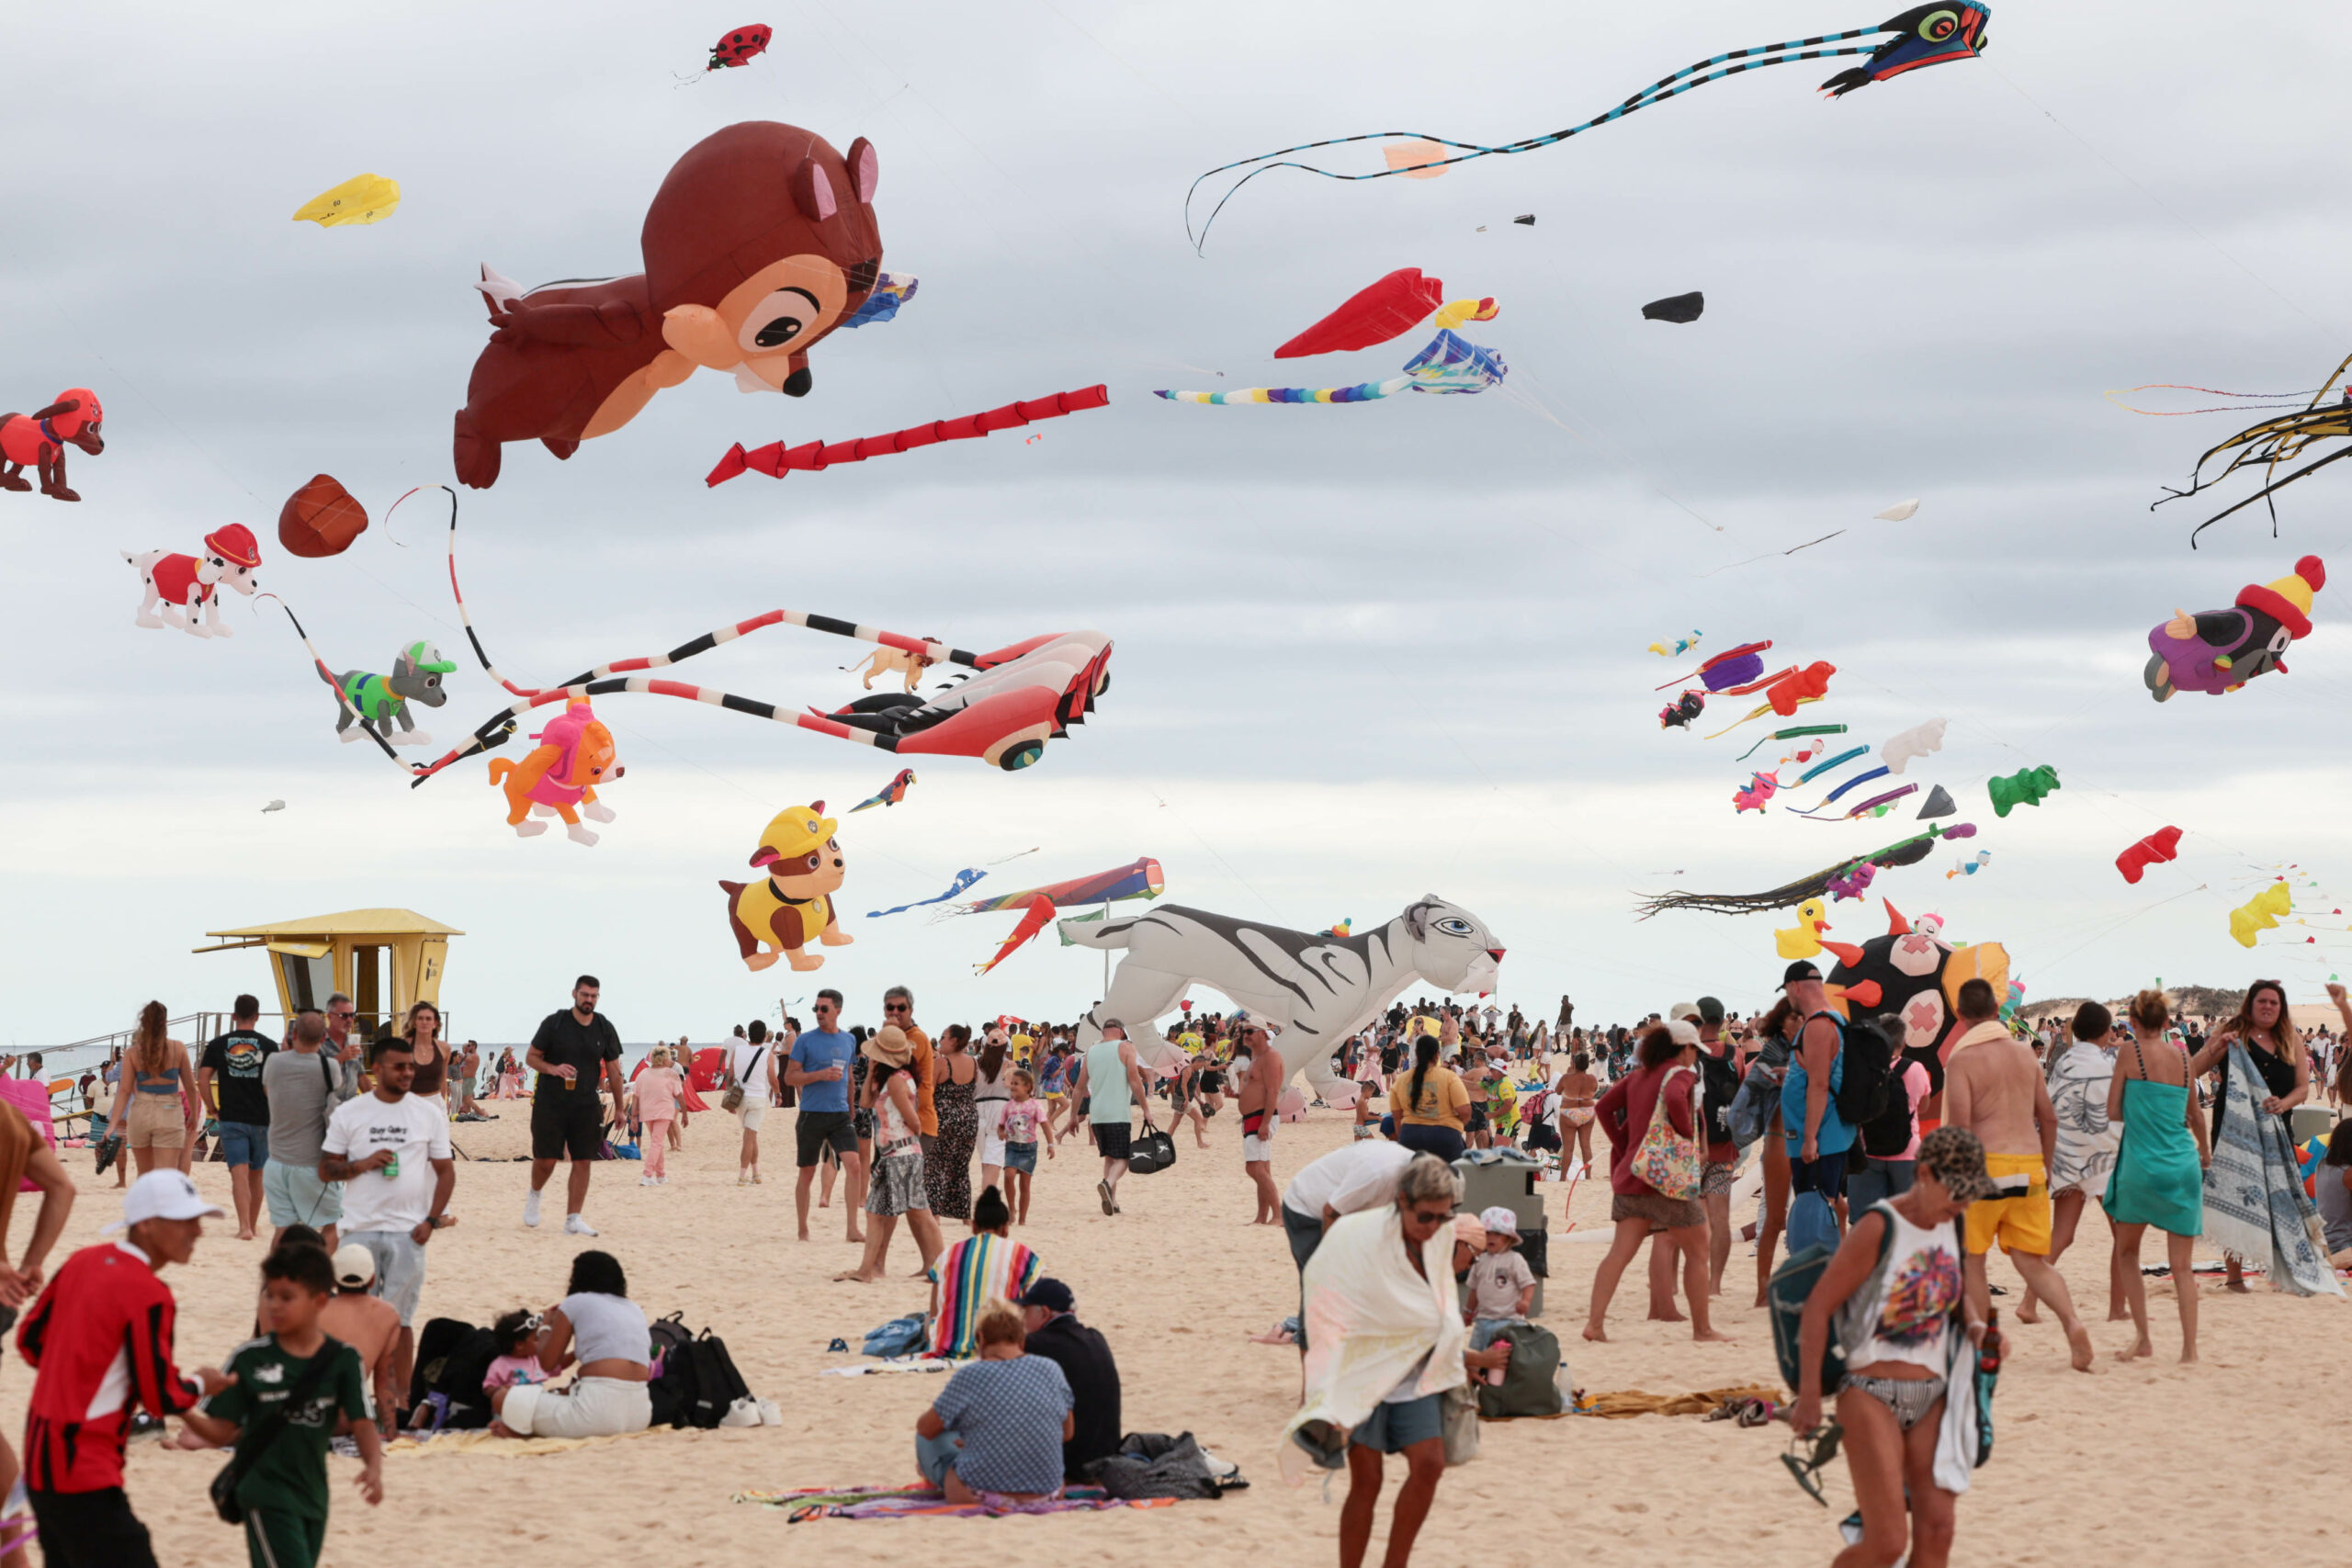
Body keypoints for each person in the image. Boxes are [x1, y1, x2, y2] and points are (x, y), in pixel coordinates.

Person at [1790, 1127, 1997, 1568]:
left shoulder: (1952, 1222)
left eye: (1969, 1195)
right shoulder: (1878, 1227)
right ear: (1923, 1174)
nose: (1962, 1204)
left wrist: (1977, 1324)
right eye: (1956, 1193)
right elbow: (1817, 1308)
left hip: (1935, 1393)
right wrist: (1809, 1396)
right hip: (1869, 1391)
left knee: (1938, 1529)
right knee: (1886, 1542)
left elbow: (1952, 1291)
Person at [1287, 1155, 1506, 1568]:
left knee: (1430, 1465)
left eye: (1444, 1217)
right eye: (1426, 1216)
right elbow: (1322, 1302)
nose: (1435, 1226)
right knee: (1367, 1482)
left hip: (1415, 1370)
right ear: (1402, 1201)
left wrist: (1457, 1356)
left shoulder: (1439, 1234)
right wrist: (1324, 1386)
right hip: (1362, 1370)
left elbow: (1439, 1306)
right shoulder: (1356, 1233)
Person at [18, 1170, 234, 1568]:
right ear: (148, 1224)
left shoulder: (82, 1260)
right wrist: (203, 1381)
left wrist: (80, 1370)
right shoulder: (150, 1293)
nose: (198, 1231)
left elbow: (29, 1343)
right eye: (186, 1220)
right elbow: (160, 1396)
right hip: (84, 1467)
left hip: (39, 1459)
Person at [179, 1242, 383, 1568]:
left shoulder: (343, 1360)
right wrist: (180, 1407)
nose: (274, 1305)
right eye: (269, 1295)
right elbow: (220, 1433)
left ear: (319, 1301)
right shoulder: (249, 1359)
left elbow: (362, 1423)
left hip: (314, 1497)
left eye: (286, 1297)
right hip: (263, 1494)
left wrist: (373, 1466)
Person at [1942, 978, 2095, 1372]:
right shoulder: (2026, 1054)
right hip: (2027, 1166)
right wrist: (2043, 1165)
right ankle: (2072, 1324)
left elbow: (1958, 1128)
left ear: (1960, 1016)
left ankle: (1986, 1342)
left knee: (1973, 1260)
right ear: (1998, 1010)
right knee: (2033, 1263)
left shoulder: (1962, 1060)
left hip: (1983, 1168)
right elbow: (2048, 1116)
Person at [320, 1036, 456, 1427]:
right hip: (358, 1230)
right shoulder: (352, 1113)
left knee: (402, 1319)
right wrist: (361, 1165)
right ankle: (351, 1398)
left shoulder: (428, 1114)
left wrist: (431, 1221)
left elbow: (445, 1171)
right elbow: (326, 1169)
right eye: (399, 1066)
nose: (408, 1072)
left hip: (408, 1232)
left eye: (411, 1066)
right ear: (375, 1069)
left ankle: (398, 1401)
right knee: (353, 1317)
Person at [1583, 1023, 1729, 1345]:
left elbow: (1604, 1107)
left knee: (1619, 1254)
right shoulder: (1679, 1074)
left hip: (1632, 1176)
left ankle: (1595, 1324)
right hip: (1668, 1180)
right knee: (1699, 1247)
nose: (1695, 1059)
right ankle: (1702, 1330)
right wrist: (1687, 1135)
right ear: (1684, 1049)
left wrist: (1625, 1146)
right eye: (1694, 1051)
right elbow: (1677, 1100)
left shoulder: (1638, 1075)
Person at [2104, 990, 2210, 1362]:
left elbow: (2113, 1110)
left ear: (2133, 1022)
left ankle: (2144, 1338)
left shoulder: (2129, 1052)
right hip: (2183, 1164)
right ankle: (2189, 1350)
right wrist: (2206, 1154)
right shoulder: (2183, 1055)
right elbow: (2196, 1115)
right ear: (2167, 1023)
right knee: (2182, 1267)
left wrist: (2140, 1111)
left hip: (2140, 1165)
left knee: (2127, 1251)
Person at [2191, 978, 2311, 1292]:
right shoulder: (2233, 1033)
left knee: (2281, 1202)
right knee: (2235, 1199)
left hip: (2278, 1134)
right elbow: (2192, 1069)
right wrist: (2216, 1046)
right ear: (2251, 1004)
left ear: (2281, 1008)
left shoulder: (2291, 1038)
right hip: (2234, 1134)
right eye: (2263, 1001)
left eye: (2274, 1002)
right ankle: (2234, 1278)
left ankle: (2283, 1275)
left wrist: (2283, 1103)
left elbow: (2302, 1088)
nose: (2268, 1007)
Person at [2025, 1002, 2125, 1327]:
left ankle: (2029, 1302)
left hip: (2066, 1157)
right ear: (2106, 1031)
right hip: (2101, 1159)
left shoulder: (2064, 1060)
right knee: (2123, 1235)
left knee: (2062, 1235)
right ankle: (2117, 1308)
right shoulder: (2108, 1061)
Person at [915, 1301, 1074, 1504]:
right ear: (1021, 1339)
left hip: (980, 1493)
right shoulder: (1051, 1369)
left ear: (981, 1338)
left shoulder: (971, 1375)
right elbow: (1067, 1432)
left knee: (929, 1440)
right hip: (1047, 1492)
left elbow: (926, 1429)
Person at [490, 1250, 653, 1438]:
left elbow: (547, 1363)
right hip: (640, 1416)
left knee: (502, 1396)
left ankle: (524, 1433)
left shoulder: (575, 1302)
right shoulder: (633, 1308)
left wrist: (545, 1327)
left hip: (595, 1414)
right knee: (561, 1396)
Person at [524, 976, 628, 1236]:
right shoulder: (555, 1023)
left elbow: (615, 1071)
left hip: (585, 1104)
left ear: (598, 998)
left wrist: (620, 1107)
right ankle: (535, 1193)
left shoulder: (604, 1027)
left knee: (583, 1160)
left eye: (593, 996)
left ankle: (573, 1218)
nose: (588, 1000)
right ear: (574, 994)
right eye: (584, 995)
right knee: (546, 1160)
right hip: (551, 1102)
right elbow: (531, 1057)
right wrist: (553, 1068)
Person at [837, 1028, 939, 1283]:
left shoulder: (896, 1081)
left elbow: (914, 1121)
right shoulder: (894, 1077)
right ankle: (868, 1269)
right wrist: (871, 1069)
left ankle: (868, 1270)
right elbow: (866, 1103)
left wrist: (903, 1137)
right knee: (894, 1211)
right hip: (896, 1154)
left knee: (916, 1213)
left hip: (900, 1153)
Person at [262, 1010, 361, 1251]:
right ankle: (316, 1276)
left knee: (283, 1230)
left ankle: (275, 1285)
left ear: (293, 1034)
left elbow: (268, 1091)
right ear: (323, 1038)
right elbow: (333, 1094)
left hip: (276, 1162)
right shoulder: (329, 1067)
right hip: (312, 1163)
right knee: (335, 1223)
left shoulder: (274, 1061)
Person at [1781, 963, 1855, 1257]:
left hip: (1820, 1136)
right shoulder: (1834, 1020)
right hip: (1827, 1132)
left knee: (1815, 1211)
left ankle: (1821, 1277)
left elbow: (1820, 1084)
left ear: (1795, 987)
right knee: (1825, 1204)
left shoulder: (1819, 1025)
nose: (1788, 997)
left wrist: (1810, 1137)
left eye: (1787, 991)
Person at [1017, 1279, 1122, 1483]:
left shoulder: (1036, 1344)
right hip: (1105, 1458)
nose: (1022, 1321)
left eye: (1025, 1313)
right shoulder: (1096, 1338)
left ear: (1044, 1313)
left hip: (1070, 1464)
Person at [928, 1185, 1041, 1358]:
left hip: (948, 1347)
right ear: (1005, 1228)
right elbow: (1033, 1310)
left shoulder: (949, 1254)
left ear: (974, 1226)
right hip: (1002, 1346)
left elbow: (934, 1311)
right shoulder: (1022, 1255)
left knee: (923, 1320)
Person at [198, 995, 277, 1242]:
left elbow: (202, 1079)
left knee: (239, 1173)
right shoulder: (269, 1045)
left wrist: (212, 1108)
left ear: (234, 1016)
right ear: (257, 1016)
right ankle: (252, 1225)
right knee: (258, 1174)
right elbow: (274, 1084)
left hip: (231, 1116)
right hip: (262, 1117)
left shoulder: (218, 1043)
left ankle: (243, 1227)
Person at [790, 990, 865, 1243]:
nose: (819, 1013)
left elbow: (850, 1076)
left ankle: (852, 1228)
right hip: (811, 1114)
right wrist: (819, 1075)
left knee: (854, 1166)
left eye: (824, 1009)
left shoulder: (848, 1041)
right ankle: (802, 1228)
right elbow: (790, 1077)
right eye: (816, 1008)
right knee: (808, 1172)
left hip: (841, 1114)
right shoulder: (805, 1041)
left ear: (838, 1011)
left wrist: (852, 1106)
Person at [320, 1245, 402, 1440]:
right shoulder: (387, 1315)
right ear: (372, 1279)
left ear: (332, 1280)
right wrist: (391, 1434)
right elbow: (384, 1383)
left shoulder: (314, 1309)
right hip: (349, 1420)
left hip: (304, 1418)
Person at [107, 1002, 196, 1179]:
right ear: (166, 1022)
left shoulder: (133, 1053)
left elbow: (124, 1091)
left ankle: (148, 1206)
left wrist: (112, 1124)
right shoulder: (178, 1048)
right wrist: (193, 1112)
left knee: (144, 1175)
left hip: (141, 1109)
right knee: (167, 1174)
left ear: (143, 1022)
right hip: (169, 1109)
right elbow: (190, 1086)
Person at [1069, 1021, 1149, 1218]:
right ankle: (1107, 1183)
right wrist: (1146, 1108)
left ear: (1103, 1032)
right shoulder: (1126, 1047)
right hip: (1118, 1113)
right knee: (1123, 1158)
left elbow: (1079, 1087)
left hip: (1097, 1115)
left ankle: (1112, 1202)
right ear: (1121, 1031)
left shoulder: (1092, 1051)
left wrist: (1072, 1116)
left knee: (1109, 1158)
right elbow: (1134, 1080)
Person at [927, 1023, 980, 1222]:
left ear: (954, 1041)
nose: (940, 1040)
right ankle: (965, 1216)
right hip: (968, 1118)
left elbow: (928, 1092)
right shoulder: (974, 1063)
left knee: (935, 1166)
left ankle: (936, 1215)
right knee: (960, 1166)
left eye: (943, 1037)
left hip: (944, 1119)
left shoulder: (941, 1063)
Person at [1464, 1206, 1536, 1353]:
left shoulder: (1515, 1260)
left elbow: (1528, 1283)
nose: (1491, 1237)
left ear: (1508, 1238)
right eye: (1487, 1233)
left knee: (1502, 1359)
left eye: (1497, 1234)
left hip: (1509, 1320)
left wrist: (1525, 1301)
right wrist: (1468, 1311)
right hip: (1483, 1320)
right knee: (1478, 1356)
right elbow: (1474, 1289)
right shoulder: (1480, 1260)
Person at [1394, 1032, 1470, 1163]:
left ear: (1416, 1054)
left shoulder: (1401, 1080)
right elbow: (1465, 1112)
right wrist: (1453, 1127)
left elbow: (1397, 1117)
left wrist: (1404, 1139)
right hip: (1445, 1137)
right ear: (1437, 1055)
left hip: (1411, 1135)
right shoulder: (1449, 1077)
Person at [1236, 1022, 1283, 1223]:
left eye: (1249, 1032)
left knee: (1254, 1168)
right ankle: (1262, 1216)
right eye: (1242, 1032)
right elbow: (1256, 1089)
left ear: (1263, 1034)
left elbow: (1273, 1091)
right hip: (1252, 1118)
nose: (1244, 1036)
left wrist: (1265, 1123)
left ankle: (1279, 1215)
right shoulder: (1256, 1058)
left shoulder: (1270, 1057)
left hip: (1261, 1117)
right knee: (1262, 1168)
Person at [884, 986, 939, 1150]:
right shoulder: (897, 1037)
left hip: (917, 1122)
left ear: (911, 1010)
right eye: (890, 1007)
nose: (895, 1012)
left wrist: (888, 1033)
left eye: (901, 1007)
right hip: (894, 1123)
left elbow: (896, 1069)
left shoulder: (916, 1038)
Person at [727, 1020, 778, 1187]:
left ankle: (756, 1174)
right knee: (749, 1137)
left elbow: (731, 1076)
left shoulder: (738, 1050)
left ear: (748, 1034)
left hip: (740, 1099)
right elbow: (772, 1078)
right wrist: (778, 1094)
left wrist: (730, 1099)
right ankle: (742, 1176)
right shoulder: (767, 1054)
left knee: (751, 1135)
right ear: (764, 1036)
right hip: (757, 1098)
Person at [1000, 1069, 1051, 1224]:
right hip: (1012, 1146)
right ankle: (1011, 1209)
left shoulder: (1035, 1105)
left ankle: (1022, 1218)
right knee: (1008, 1175)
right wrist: (1001, 1132)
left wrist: (1051, 1144)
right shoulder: (1008, 1106)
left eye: (1016, 1084)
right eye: (1012, 1083)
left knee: (1025, 1185)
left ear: (1027, 1087)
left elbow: (1045, 1125)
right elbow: (1001, 1125)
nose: (1012, 1086)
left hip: (1029, 1149)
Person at [634, 1046, 683, 1187]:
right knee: (656, 1143)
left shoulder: (643, 1073)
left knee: (657, 1141)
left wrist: (633, 1116)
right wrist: (685, 1112)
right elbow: (679, 1094)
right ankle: (647, 1175)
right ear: (665, 1058)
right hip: (663, 1112)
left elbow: (635, 1096)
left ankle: (661, 1175)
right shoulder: (670, 1074)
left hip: (647, 1112)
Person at [974, 1029, 1014, 1196]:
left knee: (986, 1159)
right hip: (999, 1113)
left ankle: (987, 1194)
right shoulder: (1010, 1066)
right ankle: (988, 1199)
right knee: (994, 1162)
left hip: (977, 1112)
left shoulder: (975, 1064)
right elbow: (1016, 1093)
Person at [396, 1001, 450, 1114]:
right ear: (414, 1022)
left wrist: (444, 1103)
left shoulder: (444, 1048)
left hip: (436, 1104)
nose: (424, 1022)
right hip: (409, 1104)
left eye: (428, 1019)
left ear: (435, 1023)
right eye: (420, 1018)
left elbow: (442, 1081)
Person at [1554, 1050, 1599, 1175]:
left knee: (1568, 1148)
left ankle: (1563, 1178)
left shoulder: (1567, 1077)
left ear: (1574, 1063)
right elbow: (1594, 1090)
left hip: (1569, 1111)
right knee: (1586, 1146)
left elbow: (1557, 1091)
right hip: (1587, 1111)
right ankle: (1588, 1177)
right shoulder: (1592, 1078)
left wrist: (1569, 1074)